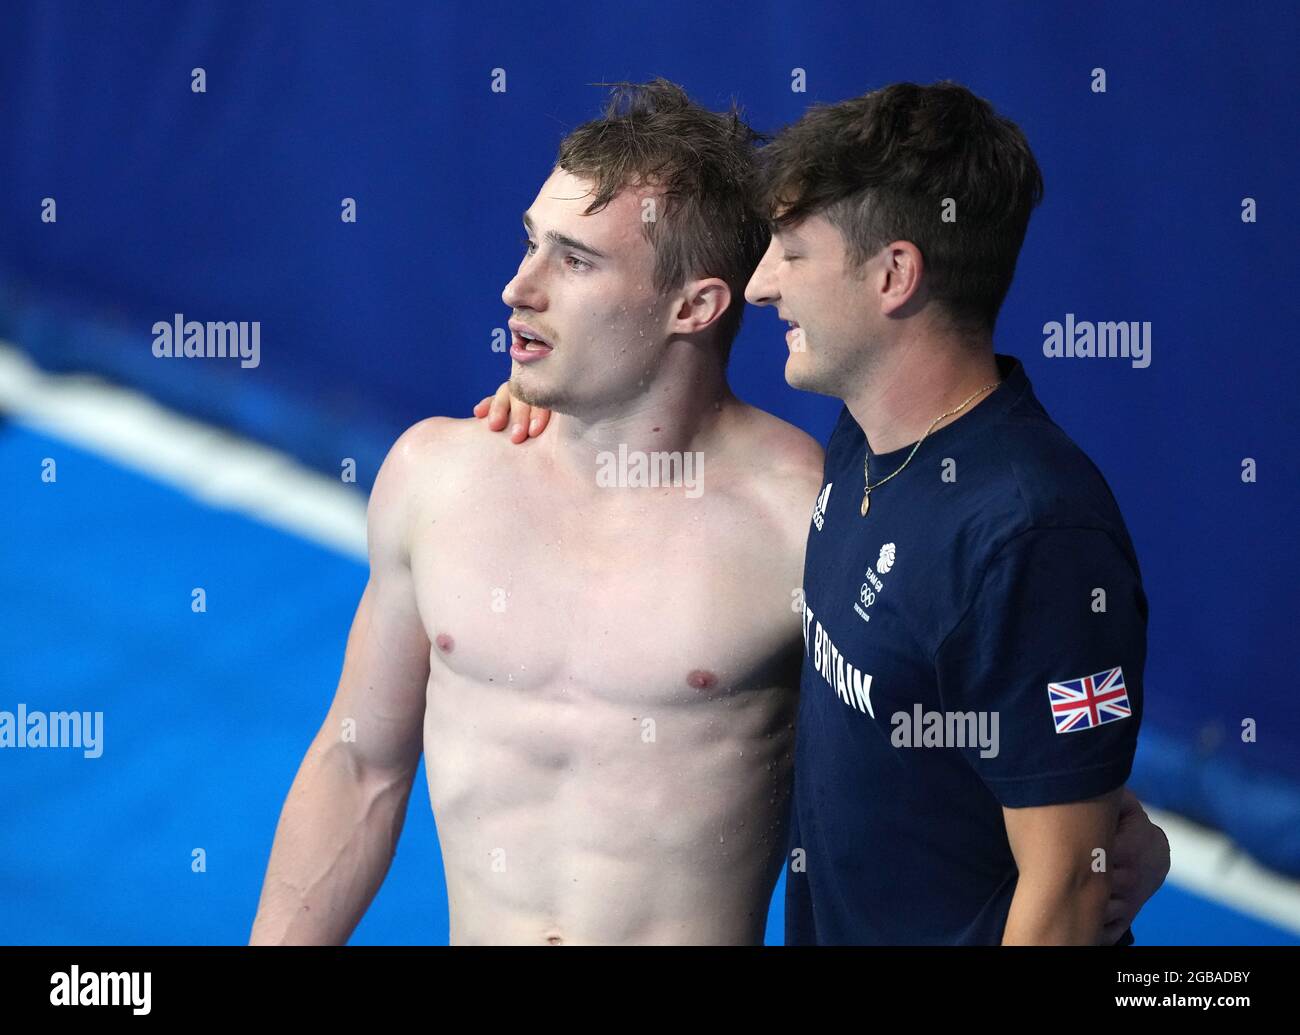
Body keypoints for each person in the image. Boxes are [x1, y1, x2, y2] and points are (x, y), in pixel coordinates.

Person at [477, 81, 1169, 944]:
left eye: (793, 254)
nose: (761, 284)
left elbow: (1065, 885)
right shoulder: (868, 445)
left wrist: (1105, 845)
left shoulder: (1030, 535)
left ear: (894, 276)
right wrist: (557, 388)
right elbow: (1010, 738)